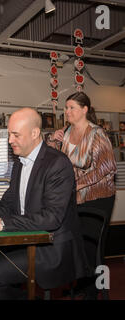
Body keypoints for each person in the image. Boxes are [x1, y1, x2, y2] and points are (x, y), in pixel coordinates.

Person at [0, 108, 90, 300]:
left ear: (35, 133)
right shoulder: (20, 161)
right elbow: (7, 204)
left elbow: (51, 219)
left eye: (15, 135)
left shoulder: (58, 164)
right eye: (9, 134)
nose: (10, 140)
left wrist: (1, 224)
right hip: (26, 239)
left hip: (51, 248)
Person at [47, 91, 117, 298]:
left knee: (93, 248)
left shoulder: (97, 134)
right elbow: (52, 158)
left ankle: (97, 291)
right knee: (76, 245)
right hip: (75, 198)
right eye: (66, 108)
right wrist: (52, 138)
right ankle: (82, 286)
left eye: (72, 108)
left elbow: (107, 168)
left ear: (84, 109)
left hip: (98, 198)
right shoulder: (66, 132)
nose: (67, 112)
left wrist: (75, 185)